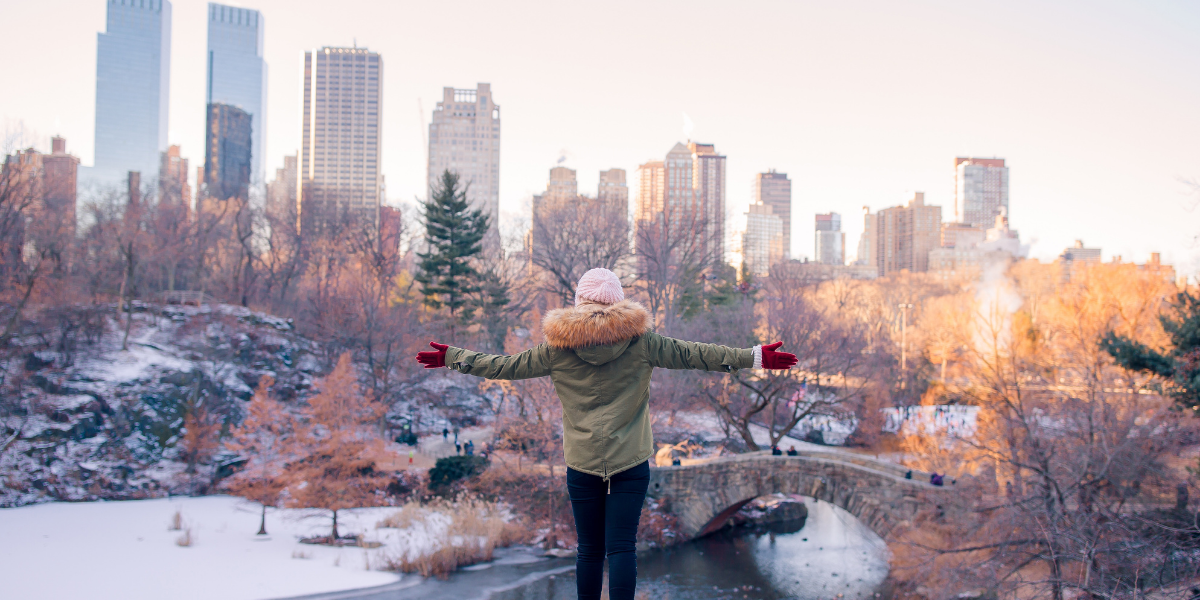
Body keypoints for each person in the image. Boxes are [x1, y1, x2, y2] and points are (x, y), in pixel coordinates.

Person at [415, 267, 797, 600]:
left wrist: (453, 357)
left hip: (582, 462)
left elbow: (502, 366)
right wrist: (754, 356)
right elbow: (697, 354)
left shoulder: (556, 349)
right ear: (619, 302)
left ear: (579, 302)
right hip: (630, 461)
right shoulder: (644, 343)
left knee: (589, 550)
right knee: (622, 548)